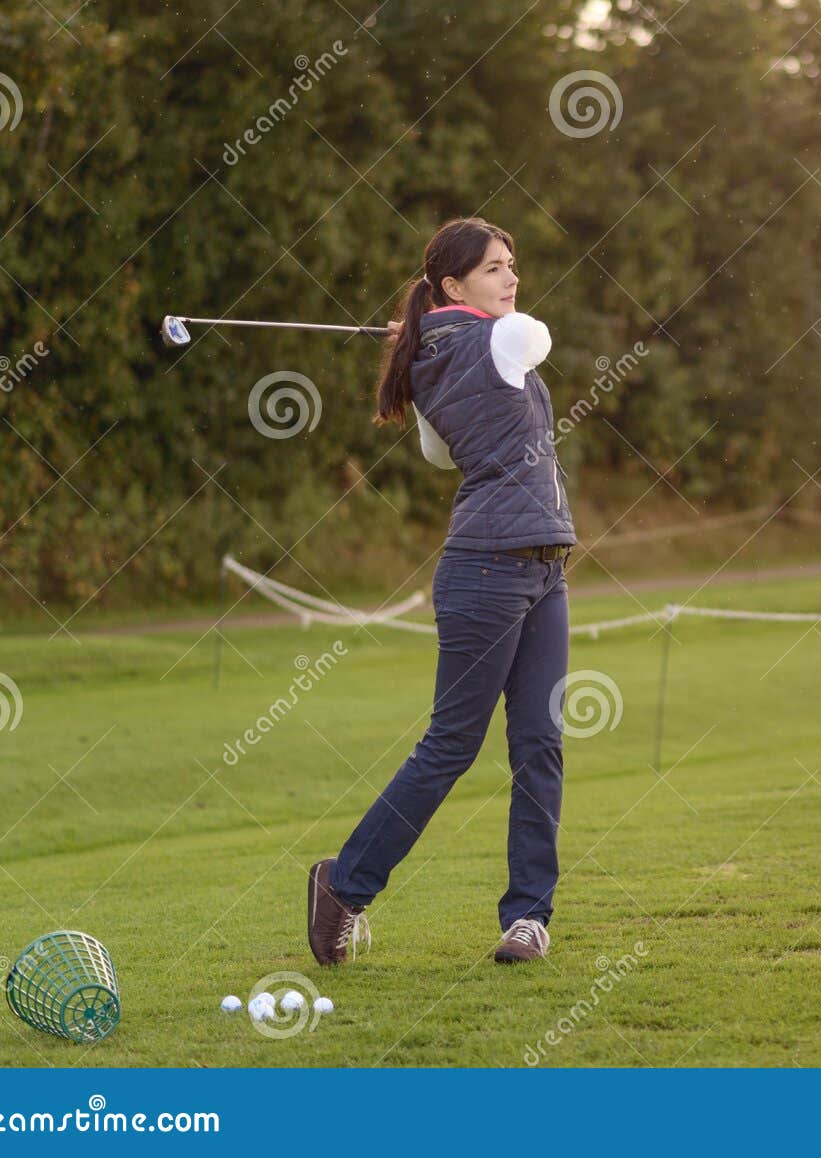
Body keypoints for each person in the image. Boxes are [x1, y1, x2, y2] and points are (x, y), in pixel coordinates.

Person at [306, 217, 576, 966]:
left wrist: (437, 333)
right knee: (452, 744)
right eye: (493, 268)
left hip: (545, 569)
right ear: (453, 284)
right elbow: (536, 335)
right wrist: (455, 331)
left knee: (540, 743)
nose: (511, 278)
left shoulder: (435, 357)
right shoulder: (507, 336)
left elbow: (437, 454)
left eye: (512, 264)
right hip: (487, 570)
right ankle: (343, 885)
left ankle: (528, 918)